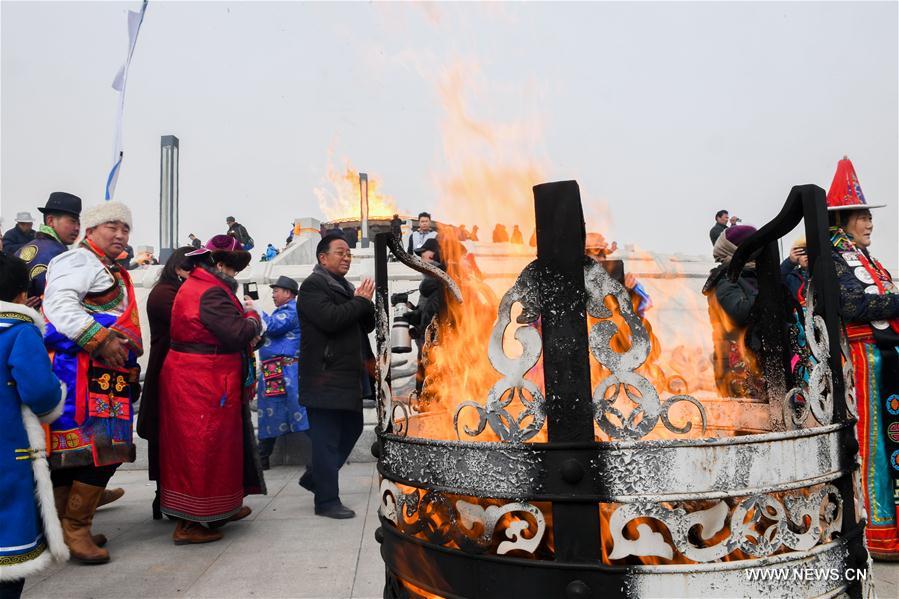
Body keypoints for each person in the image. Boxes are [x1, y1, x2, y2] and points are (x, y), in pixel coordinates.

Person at [42, 201, 142, 564]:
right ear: (91, 230)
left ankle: (69, 527)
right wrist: (99, 339)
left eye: (125, 228)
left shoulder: (107, 266)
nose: (120, 234)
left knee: (103, 451)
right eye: (112, 226)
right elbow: (59, 307)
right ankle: (74, 529)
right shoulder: (78, 261)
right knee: (91, 451)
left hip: (105, 373)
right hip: (81, 370)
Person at [158, 235, 265, 544]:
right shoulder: (210, 293)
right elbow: (236, 333)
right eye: (232, 269)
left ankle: (220, 508)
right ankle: (189, 524)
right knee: (201, 449)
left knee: (218, 448)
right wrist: (253, 316)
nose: (234, 275)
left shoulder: (203, 286)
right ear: (219, 265)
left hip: (205, 377)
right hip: (201, 380)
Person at [825, 156, 899, 560]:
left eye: (870, 216)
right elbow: (852, 305)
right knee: (875, 446)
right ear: (846, 219)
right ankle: (879, 532)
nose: (870, 223)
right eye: (863, 216)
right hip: (865, 362)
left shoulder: (869, 258)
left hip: (885, 360)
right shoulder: (837, 258)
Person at [0, 254, 68, 598]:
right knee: (9, 558)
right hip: (7, 455)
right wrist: (58, 396)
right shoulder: (19, 330)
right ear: (22, 295)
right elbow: (41, 392)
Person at [297, 234, 375, 519]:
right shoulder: (313, 286)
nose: (346, 257)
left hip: (347, 377)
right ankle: (326, 500)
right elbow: (330, 319)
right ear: (322, 257)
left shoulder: (345, 287)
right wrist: (359, 301)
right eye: (340, 252)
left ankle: (316, 476)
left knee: (352, 428)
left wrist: (364, 302)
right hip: (324, 377)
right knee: (326, 439)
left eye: (349, 253)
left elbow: (364, 323)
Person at [137, 247, 193, 520]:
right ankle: (166, 498)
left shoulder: (176, 289)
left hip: (179, 371)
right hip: (166, 371)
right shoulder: (165, 293)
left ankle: (173, 498)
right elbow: (188, 324)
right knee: (165, 438)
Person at [247, 276, 308, 470]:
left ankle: (316, 456)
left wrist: (256, 308)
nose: (273, 295)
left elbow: (273, 326)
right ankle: (262, 457)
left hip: (288, 372)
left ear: (288, 293)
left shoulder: (292, 311)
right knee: (271, 415)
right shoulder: (280, 311)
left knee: (299, 411)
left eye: (276, 291)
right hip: (275, 371)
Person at [702, 225, 763, 398]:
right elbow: (740, 312)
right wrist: (764, 293)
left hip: (754, 362)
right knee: (747, 421)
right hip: (736, 367)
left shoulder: (749, 273)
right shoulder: (727, 278)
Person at [15, 192, 82, 308]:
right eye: (72, 221)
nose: (77, 228)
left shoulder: (28, 247)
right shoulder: (57, 254)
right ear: (51, 221)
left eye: (78, 223)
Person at [406, 238, 446, 394]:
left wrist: (420, 328)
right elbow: (425, 311)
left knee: (431, 384)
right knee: (425, 381)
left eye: (424, 252)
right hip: (426, 343)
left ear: (434, 255)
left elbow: (436, 313)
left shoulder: (439, 279)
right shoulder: (429, 278)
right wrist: (410, 311)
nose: (421, 256)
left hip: (435, 344)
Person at [780, 237, 809, 304]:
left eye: (808, 252)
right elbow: (776, 280)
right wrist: (790, 261)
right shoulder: (791, 276)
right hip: (798, 312)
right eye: (802, 253)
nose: (806, 256)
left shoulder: (822, 273)